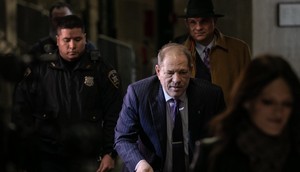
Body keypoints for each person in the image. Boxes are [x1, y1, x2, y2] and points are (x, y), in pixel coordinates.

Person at [12, 15, 122, 172]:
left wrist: (109, 153)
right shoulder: (40, 70)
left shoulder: (101, 70)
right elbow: (22, 111)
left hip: (87, 155)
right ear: (57, 40)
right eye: (66, 40)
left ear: (85, 38)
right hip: (47, 155)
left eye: (77, 39)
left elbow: (114, 115)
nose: (72, 45)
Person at [114, 43, 225, 172]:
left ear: (191, 70)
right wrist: (139, 164)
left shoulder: (211, 95)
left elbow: (224, 137)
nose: (176, 80)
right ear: (158, 71)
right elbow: (123, 138)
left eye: (183, 72)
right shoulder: (138, 94)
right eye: (170, 73)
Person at [190, 54, 300, 172]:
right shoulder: (214, 155)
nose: (278, 113)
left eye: (286, 104)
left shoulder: (295, 153)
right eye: (268, 102)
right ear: (247, 101)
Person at [173, 0, 251, 105]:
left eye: (204, 21)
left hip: (227, 115)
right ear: (187, 24)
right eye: (193, 22)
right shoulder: (177, 52)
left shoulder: (239, 49)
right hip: (192, 116)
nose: (198, 27)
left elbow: (250, 87)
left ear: (214, 21)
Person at [28, 1, 96, 59]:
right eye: (57, 20)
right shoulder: (39, 49)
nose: (61, 23)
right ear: (50, 21)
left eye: (65, 18)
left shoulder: (88, 48)